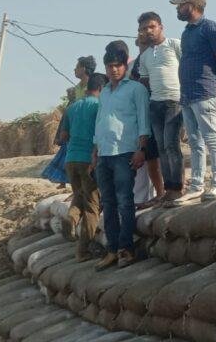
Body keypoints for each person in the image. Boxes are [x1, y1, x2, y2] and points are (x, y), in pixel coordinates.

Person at [91, 41, 150, 270]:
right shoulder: (104, 92)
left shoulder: (136, 89)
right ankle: (112, 250)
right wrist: (95, 150)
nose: (113, 70)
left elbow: (144, 121)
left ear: (125, 65)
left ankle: (127, 249)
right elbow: (100, 122)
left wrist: (141, 149)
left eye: (117, 65)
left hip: (125, 151)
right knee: (108, 202)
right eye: (109, 66)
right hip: (104, 153)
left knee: (125, 201)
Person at [170, 0, 216, 205]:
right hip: (187, 94)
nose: (177, 8)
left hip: (205, 91)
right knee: (194, 141)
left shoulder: (209, 28)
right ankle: (196, 186)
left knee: (211, 137)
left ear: (191, 6)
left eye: (180, 4)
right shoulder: (187, 32)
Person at [136, 12, 185, 206]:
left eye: (151, 27)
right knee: (162, 148)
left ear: (160, 27)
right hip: (155, 105)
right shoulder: (145, 56)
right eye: (143, 29)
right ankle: (168, 188)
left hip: (174, 100)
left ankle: (178, 187)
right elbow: (145, 82)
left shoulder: (174, 44)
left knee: (172, 145)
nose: (147, 31)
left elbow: (186, 67)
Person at [60, 73, 106, 261]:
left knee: (79, 195)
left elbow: (63, 136)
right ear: (102, 89)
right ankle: (82, 251)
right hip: (89, 159)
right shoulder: (100, 106)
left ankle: (70, 218)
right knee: (92, 206)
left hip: (71, 159)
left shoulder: (72, 107)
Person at [42, 56, 97, 186]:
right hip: (76, 126)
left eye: (77, 67)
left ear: (83, 68)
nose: (74, 70)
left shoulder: (93, 85)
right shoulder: (78, 88)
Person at [131, 27, 164, 207]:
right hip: (145, 113)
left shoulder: (158, 56)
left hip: (162, 106)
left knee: (168, 150)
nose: (142, 44)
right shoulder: (137, 63)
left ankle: (174, 189)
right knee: (151, 155)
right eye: (140, 42)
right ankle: (160, 192)